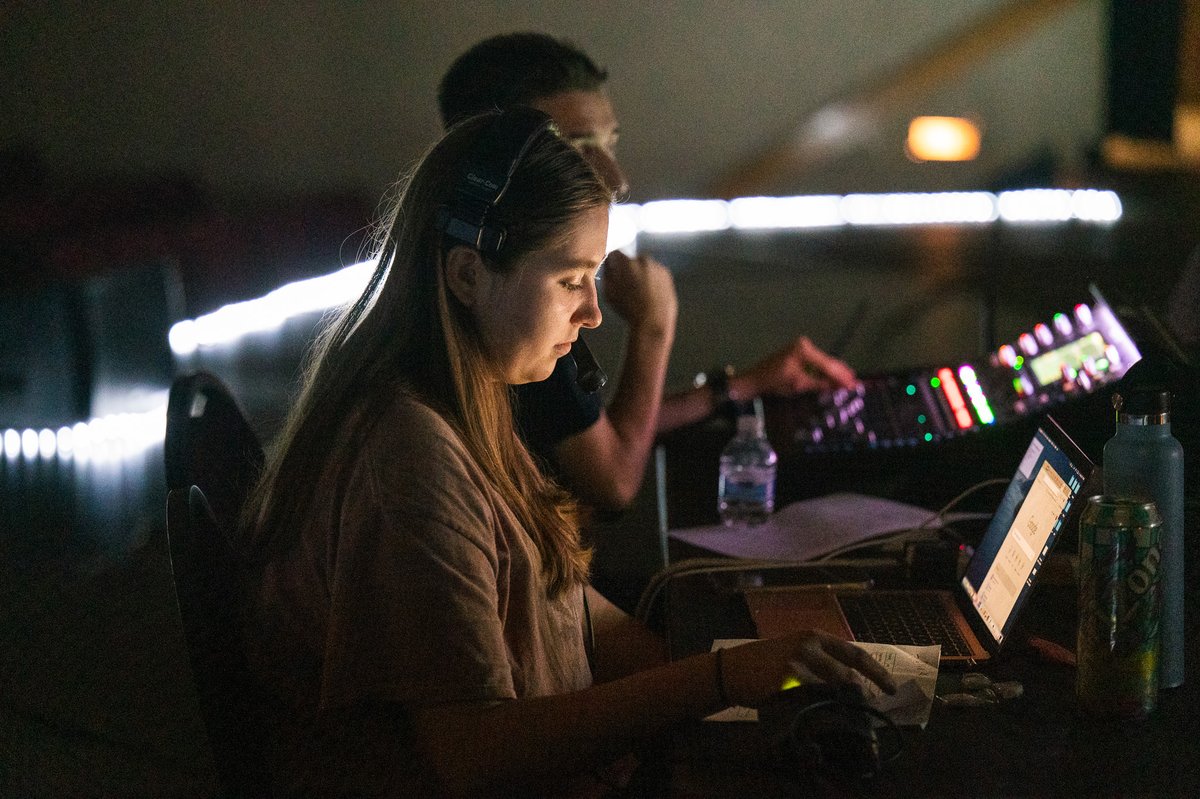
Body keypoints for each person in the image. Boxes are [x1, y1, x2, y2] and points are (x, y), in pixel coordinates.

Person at [242, 109, 894, 797]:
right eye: (569, 280)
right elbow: (470, 750)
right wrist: (721, 679)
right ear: (467, 274)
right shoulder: (408, 454)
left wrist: (744, 677)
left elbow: (572, 603)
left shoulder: (471, 395)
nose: (591, 313)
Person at [438, 33, 859, 511]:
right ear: (488, 161)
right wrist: (654, 327)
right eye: (574, 147)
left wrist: (742, 385)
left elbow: (592, 429)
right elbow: (612, 480)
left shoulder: (501, 276)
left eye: (609, 144)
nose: (615, 179)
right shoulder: (511, 301)